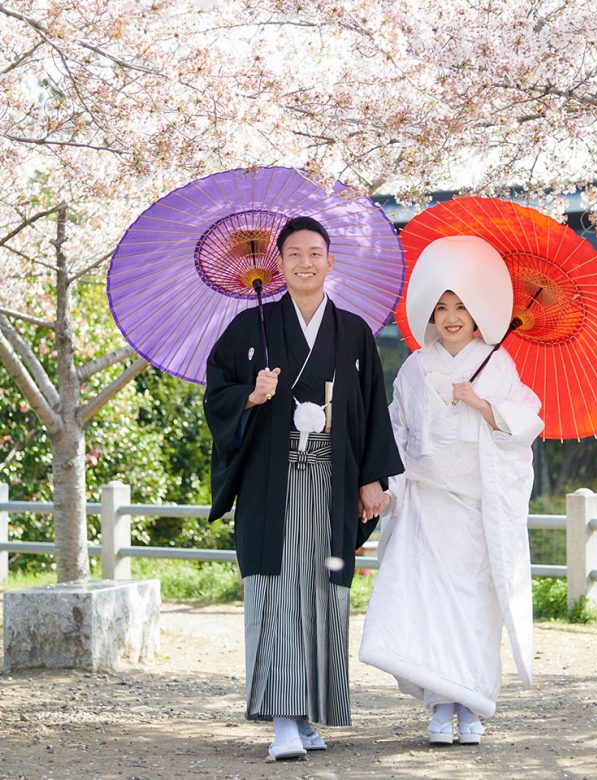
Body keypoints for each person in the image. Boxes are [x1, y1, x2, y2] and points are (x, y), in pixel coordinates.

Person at [204, 216, 403, 761]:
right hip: (274, 487)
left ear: (329, 261)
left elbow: (371, 413)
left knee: (325, 594)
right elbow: (215, 392)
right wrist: (250, 394)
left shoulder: (356, 333)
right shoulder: (251, 329)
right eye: (293, 254)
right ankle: (283, 721)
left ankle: (311, 714)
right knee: (276, 596)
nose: (304, 263)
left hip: (334, 486)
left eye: (315, 253)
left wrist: (370, 478)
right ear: (279, 263)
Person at [359, 234, 544, 746]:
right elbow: (395, 429)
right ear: (429, 315)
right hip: (426, 503)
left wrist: (482, 404)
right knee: (429, 605)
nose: (452, 316)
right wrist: (386, 485)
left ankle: (474, 703)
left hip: (476, 506)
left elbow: (527, 422)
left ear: (478, 311)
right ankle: (441, 707)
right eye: (442, 307)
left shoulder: (497, 363)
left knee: (474, 606)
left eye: (461, 305)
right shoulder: (417, 368)